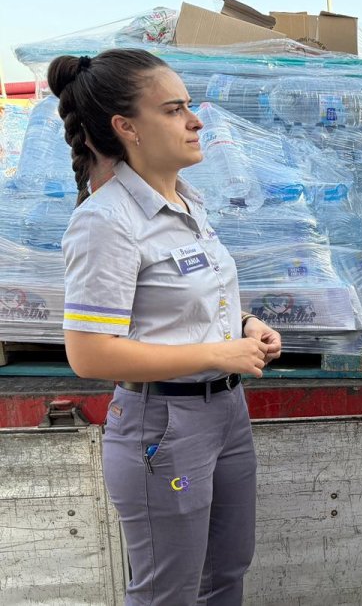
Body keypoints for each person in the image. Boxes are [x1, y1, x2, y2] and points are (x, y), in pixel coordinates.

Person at [52, 49, 283, 605]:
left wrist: (247, 325)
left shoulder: (187, 203)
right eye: (175, 109)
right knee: (169, 592)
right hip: (164, 423)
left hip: (225, 412)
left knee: (226, 574)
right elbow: (89, 355)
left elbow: (188, 304)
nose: (195, 121)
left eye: (190, 107)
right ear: (126, 127)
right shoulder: (106, 222)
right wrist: (215, 355)